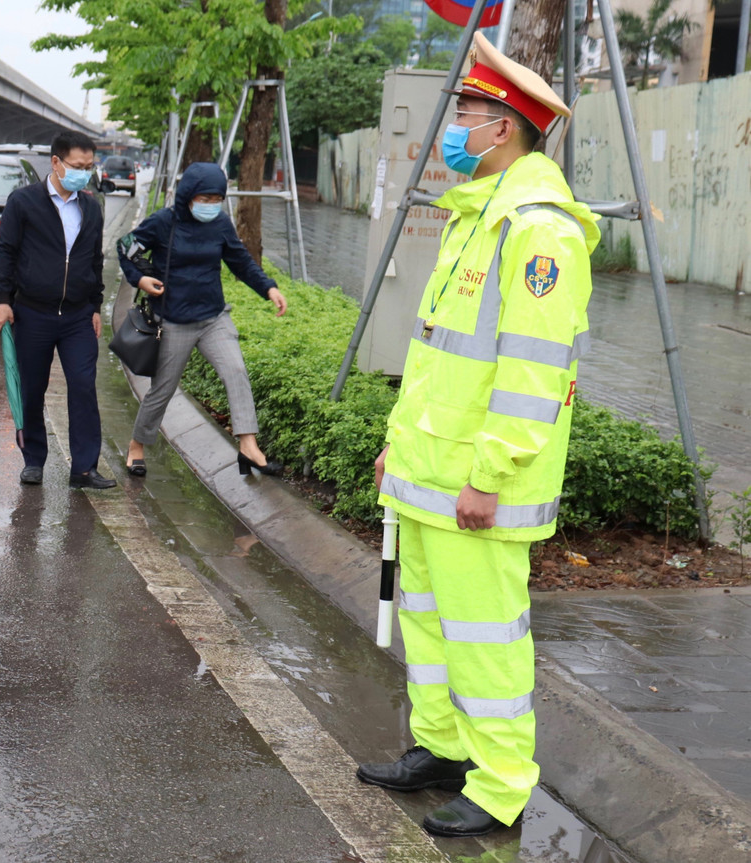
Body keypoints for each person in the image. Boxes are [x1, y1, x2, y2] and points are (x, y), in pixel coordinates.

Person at [355, 34, 599, 838]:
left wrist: (489, 476)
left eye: (464, 111)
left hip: (476, 487)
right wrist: (399, 443)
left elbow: (532, 374)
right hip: (428, 472)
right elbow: (435, 357)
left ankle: (500, 783)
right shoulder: (476, 217)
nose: (452, 126)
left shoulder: (538, 231)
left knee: (485, 636)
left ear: (503, 127)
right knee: (426, 620)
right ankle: (442, 747)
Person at [117, 162, 287, 478]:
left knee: (236, 371)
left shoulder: (220, 224)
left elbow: (240, 262)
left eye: (215, 199)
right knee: (163, 390)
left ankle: (249, 447)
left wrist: (269, 288)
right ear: (188, 196)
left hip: (213, 317)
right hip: (174, 320)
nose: (210, 205)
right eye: (203, 199)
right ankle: (137, 446)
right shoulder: (163, 222)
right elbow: (125, 248)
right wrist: (140, 280)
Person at [0, 130, 111, 489]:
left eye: (89, 167)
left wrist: (95, 305)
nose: (83, 173)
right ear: (56, 162)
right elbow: (5, 251)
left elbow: (94, 259)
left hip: (76, 315)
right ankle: (33, 460)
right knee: (31, 388)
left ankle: (84, 468)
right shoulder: (23, 202)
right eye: (77, 166)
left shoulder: (91, 206)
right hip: (33, 313)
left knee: (83, 385)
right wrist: (1, 299)